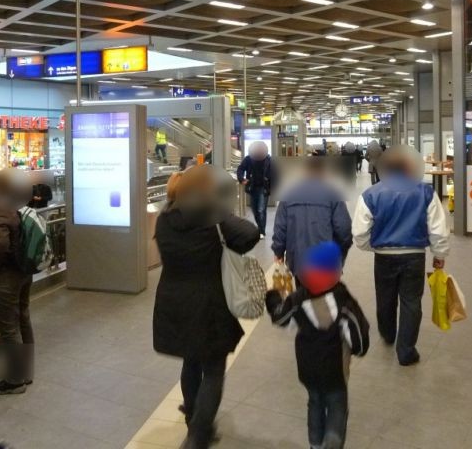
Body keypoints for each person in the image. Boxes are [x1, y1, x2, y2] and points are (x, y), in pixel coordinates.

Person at [153, 165, 259, 449]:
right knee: (213, 368)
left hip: (173, 299)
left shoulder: (164, 218)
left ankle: (193, 420)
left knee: (191, 360)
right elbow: (250, 234)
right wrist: (220, 210)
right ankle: (199, 434)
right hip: (208, 302)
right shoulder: (213, 219)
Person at [352, 146, 450, 366]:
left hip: (384, 256)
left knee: (384, 297)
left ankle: (388, 334)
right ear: (409, 168)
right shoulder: (425, 192)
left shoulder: (371, 194)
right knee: (411, 301)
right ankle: (406, 351)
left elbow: (359, 231)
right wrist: (439, 253)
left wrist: (371, 247)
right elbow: (438, 228)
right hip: (414, 255)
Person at [266, 241, 369, 449]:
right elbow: (358, 338)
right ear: (337, 271)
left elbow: (280, 318)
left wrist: (273, 298)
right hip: (335, 370)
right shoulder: (343, 301)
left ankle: (315, 444)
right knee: (337, 405)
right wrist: (359, 349)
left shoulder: (297, 299)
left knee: (315, 403)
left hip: (308, 368)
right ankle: (333, 441)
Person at [0, 168, 34, 395]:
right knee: (22, 319)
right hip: (22, 271)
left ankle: (14, 380)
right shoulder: (16, 204)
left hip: (5, 275)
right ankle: (25, 372)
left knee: (8, 328)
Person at [272, 158, 352, 274]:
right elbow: (344, 229)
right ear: (324, 172)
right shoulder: (333, 193)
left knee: (301, 290)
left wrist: (278, 252)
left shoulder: (289, 193)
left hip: (298, 260)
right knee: (325, 291)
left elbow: (280, 228)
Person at [236, 141, 276, 237]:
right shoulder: (248, 159)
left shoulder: (269, 160)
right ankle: (260, 227)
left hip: (264, 187)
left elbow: (275, 174)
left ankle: (262, 231)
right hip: (252, 186)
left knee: (261, 209)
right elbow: (240, 169)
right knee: (254, 209)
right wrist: (241, 179)